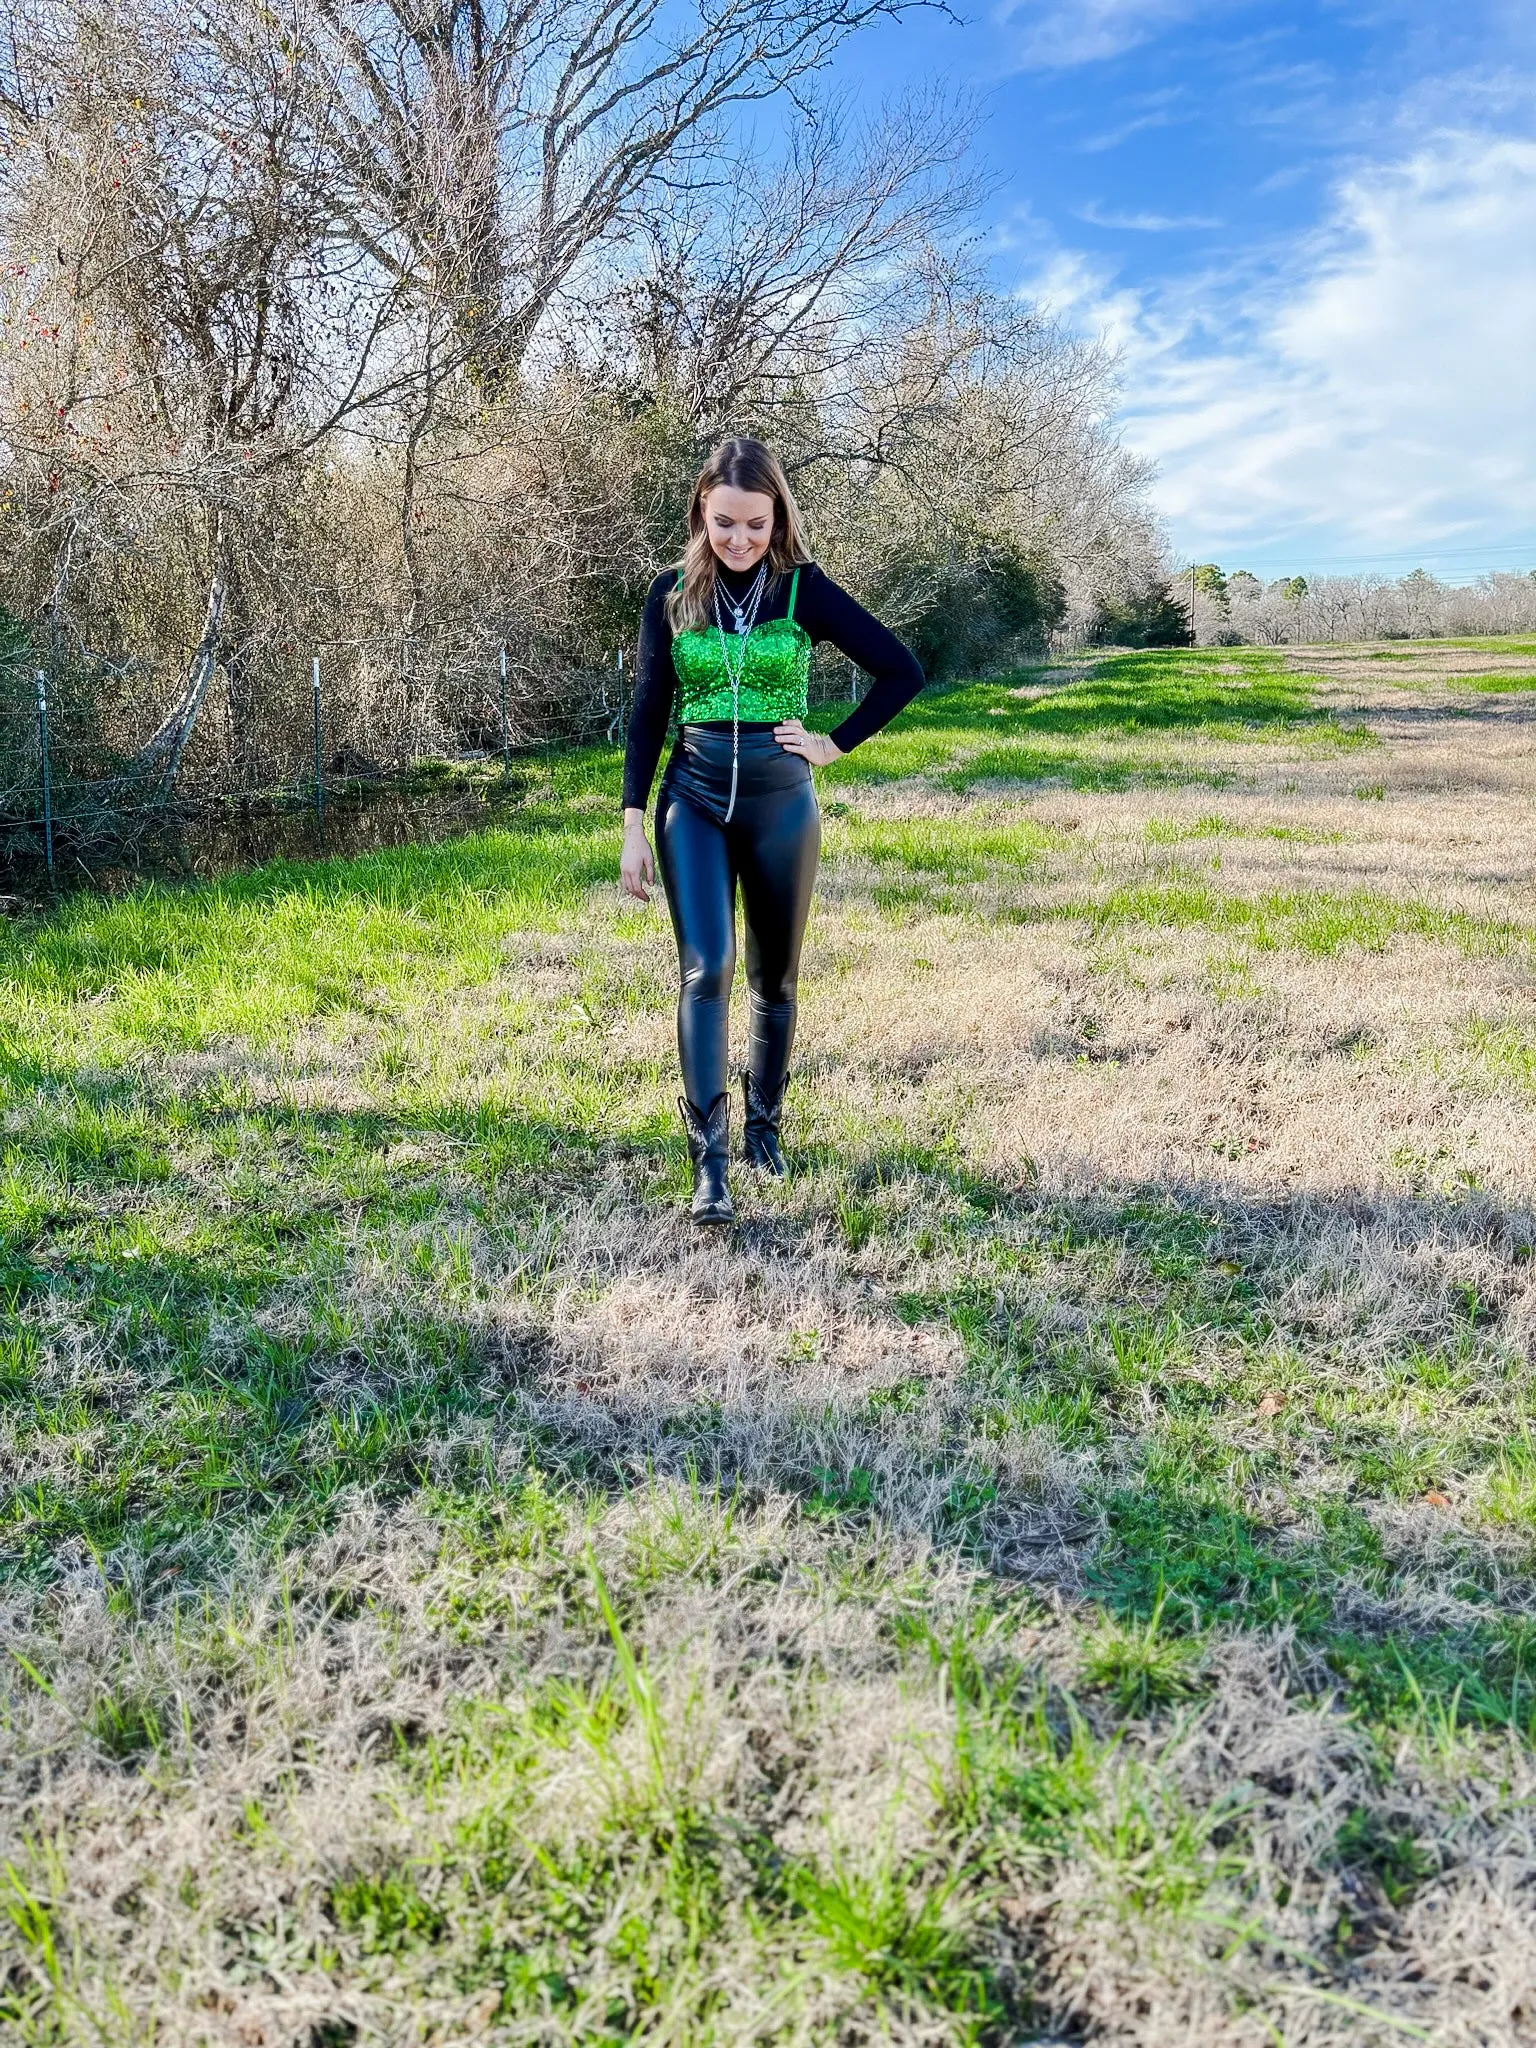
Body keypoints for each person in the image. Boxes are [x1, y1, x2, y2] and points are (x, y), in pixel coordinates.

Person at [620, 436, 926, 1223]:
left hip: (782, 802)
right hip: (691, 795)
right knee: (706, 969)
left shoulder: (804, 592)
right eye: (725, 524)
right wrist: (631, 823)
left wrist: (832, 743)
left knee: (774, 978)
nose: (740, 541)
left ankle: (764, 1133)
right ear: (701, 513)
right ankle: (711, 1167)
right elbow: (650, 711)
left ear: (777, 516)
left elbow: (903, 671)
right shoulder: (670, 594)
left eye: (756, 525)